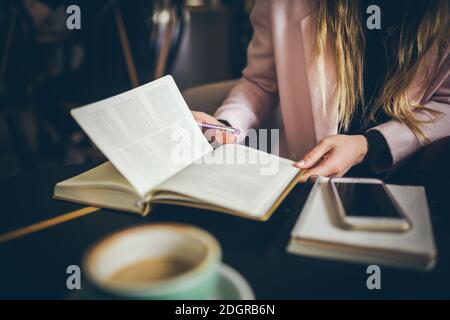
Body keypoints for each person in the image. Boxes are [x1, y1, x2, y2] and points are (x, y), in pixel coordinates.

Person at [192, 0, 450, 200]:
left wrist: (368, 145)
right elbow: (260, 83)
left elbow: (445, 104)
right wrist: (225, 124)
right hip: (301, 179)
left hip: (405, 182)